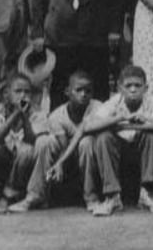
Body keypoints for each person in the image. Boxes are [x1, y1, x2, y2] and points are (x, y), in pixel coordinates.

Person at [7, 70, 102, 213]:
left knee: (86, 142)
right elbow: (64, 145)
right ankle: (36, 195)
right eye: (78, 90)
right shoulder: (57, 116)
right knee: (44, 141)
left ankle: (91, 197)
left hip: (89, 157)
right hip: (65, 156)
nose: (83, 94)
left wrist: (60, 162)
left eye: (88, 91)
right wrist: (60, 164)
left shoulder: (98, 108)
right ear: (67, 92)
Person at [82, 64, 153, 217]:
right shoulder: (115, 101)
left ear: (145, 88)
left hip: (141, 149)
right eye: (128, 86)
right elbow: (88, 126)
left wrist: (142, 122)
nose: (133, 89)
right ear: (120, 88)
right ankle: (112, 196)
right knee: (103, 137)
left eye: (138, 86)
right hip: (119, 150)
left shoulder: (152, 101)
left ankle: (147, 194)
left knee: (151, 135)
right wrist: (119, 118)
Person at [0, 73, 48, 213]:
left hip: (24, 166)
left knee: (27, 150)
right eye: (18, 91)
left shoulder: (37, 113)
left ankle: (8, 196)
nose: (23, 95)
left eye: (27, 92)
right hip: (4, 160)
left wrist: (24, 117)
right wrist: (15, 115)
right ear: (7, 94)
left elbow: (33, 141)